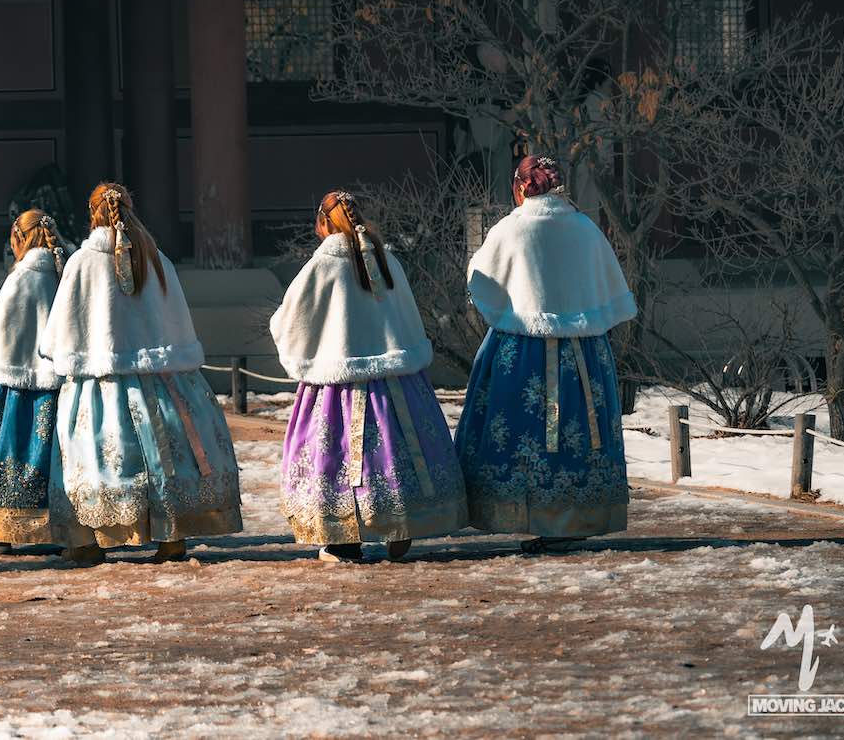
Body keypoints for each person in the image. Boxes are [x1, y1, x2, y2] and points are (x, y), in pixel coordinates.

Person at [40, 182, 242, 565]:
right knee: (165, 455)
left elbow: (63, 327)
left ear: (93, 214)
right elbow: (176, 320)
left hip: (102, 382)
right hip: (162, 380)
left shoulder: (83, 261)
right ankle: (171, 537)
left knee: (99, 456)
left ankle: (88, 540)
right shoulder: (155, 257)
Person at [270, 190, 469, 562]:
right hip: (395, 384)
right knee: (397, 450)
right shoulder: (386, 258)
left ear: (325, 223)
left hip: (337, 383)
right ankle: (402, 522)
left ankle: (345, 540)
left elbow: (293, 318)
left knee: (341, 457)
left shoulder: (323, 264)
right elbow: (408, 316)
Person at [453, 155, 637, 553]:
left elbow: (480, 284)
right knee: (581, 434)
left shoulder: (512, 228)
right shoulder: (586, 228)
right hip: (584, 354)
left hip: (522, 352)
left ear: (520, 187)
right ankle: (575, 515)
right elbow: (609, 287)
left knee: (522, 431)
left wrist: (508, 312)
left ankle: (530, 513)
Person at [0, 210, 65, 554]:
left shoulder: (24, 276)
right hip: (59, 388)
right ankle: (60, 528)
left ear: (19, 238)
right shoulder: (66, 272)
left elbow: (1, 328)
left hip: (15, 387)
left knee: (0, 454)